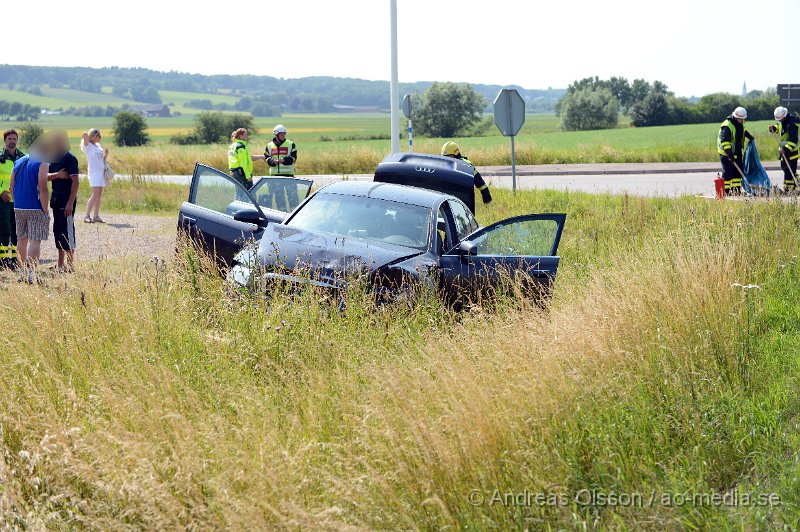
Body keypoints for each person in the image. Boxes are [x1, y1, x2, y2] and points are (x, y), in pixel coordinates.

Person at [10, 137, 50, 283]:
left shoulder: (19, 161)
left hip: (18, 206)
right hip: (35, 207)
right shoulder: (42, 162)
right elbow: (43, 187)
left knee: (21, 241)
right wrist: (45, 208)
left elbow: (11, 186)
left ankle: (22, 273)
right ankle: (31, 274)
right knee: (35, 241)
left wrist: (17, 201)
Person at [47, 131, 80, 272]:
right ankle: (60, 265)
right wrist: (57, 175)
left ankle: (70, 265)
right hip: (56, 199)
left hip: (67, 200)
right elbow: (45, 176)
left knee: (68, 231)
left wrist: (70, 203)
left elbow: (76, 182)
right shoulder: (53, 158)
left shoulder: (70, 158)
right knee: (58, 230)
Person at [0, 129, 25, 269]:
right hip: (2, 199)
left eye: (14, 139)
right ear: (5, 141)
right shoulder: (0, 158)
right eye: (9, 139)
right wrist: (0, 191)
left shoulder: (22, 158)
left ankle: (16, 261)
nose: (12, 141)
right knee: (5, 230)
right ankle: (3, 262)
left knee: (17, 231)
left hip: (18, 199)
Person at [717, 107, 754, 196]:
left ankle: (736, 191)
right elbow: (724, 141)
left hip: (737, 152)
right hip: (726, 153)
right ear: (737, 118)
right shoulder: (727, 125)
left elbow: (742, 130)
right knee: (728, 173)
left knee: (737, 173)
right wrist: (729, 153)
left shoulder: (738, 123)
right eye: (742, 120)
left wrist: (748, 135)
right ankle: (726, 192)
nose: (743, 121)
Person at [80, 128, 108, 223]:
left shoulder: (98, 146)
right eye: (99, 135)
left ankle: (96, 215)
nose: (100, 137)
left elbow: (100, 159)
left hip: (100, 172)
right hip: (94, 173)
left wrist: (105, 155)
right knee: (95, 194)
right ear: (95, 136)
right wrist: (89, 135)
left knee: (99, 195)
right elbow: (84, 134)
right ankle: (87, 215)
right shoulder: (88, 146)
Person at [769, 106, 799, 194]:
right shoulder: (784, 121)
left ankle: (789, 190)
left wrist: (785, 149)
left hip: (791, 152)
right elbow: (780, 127)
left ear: (784, 116)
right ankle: (793, 184)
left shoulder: (792, 124)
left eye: (780, 119)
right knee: (786, 169)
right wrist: (774, 128)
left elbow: (794, 141)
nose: (779, 121)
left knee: (789, 172)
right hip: (785, 152)